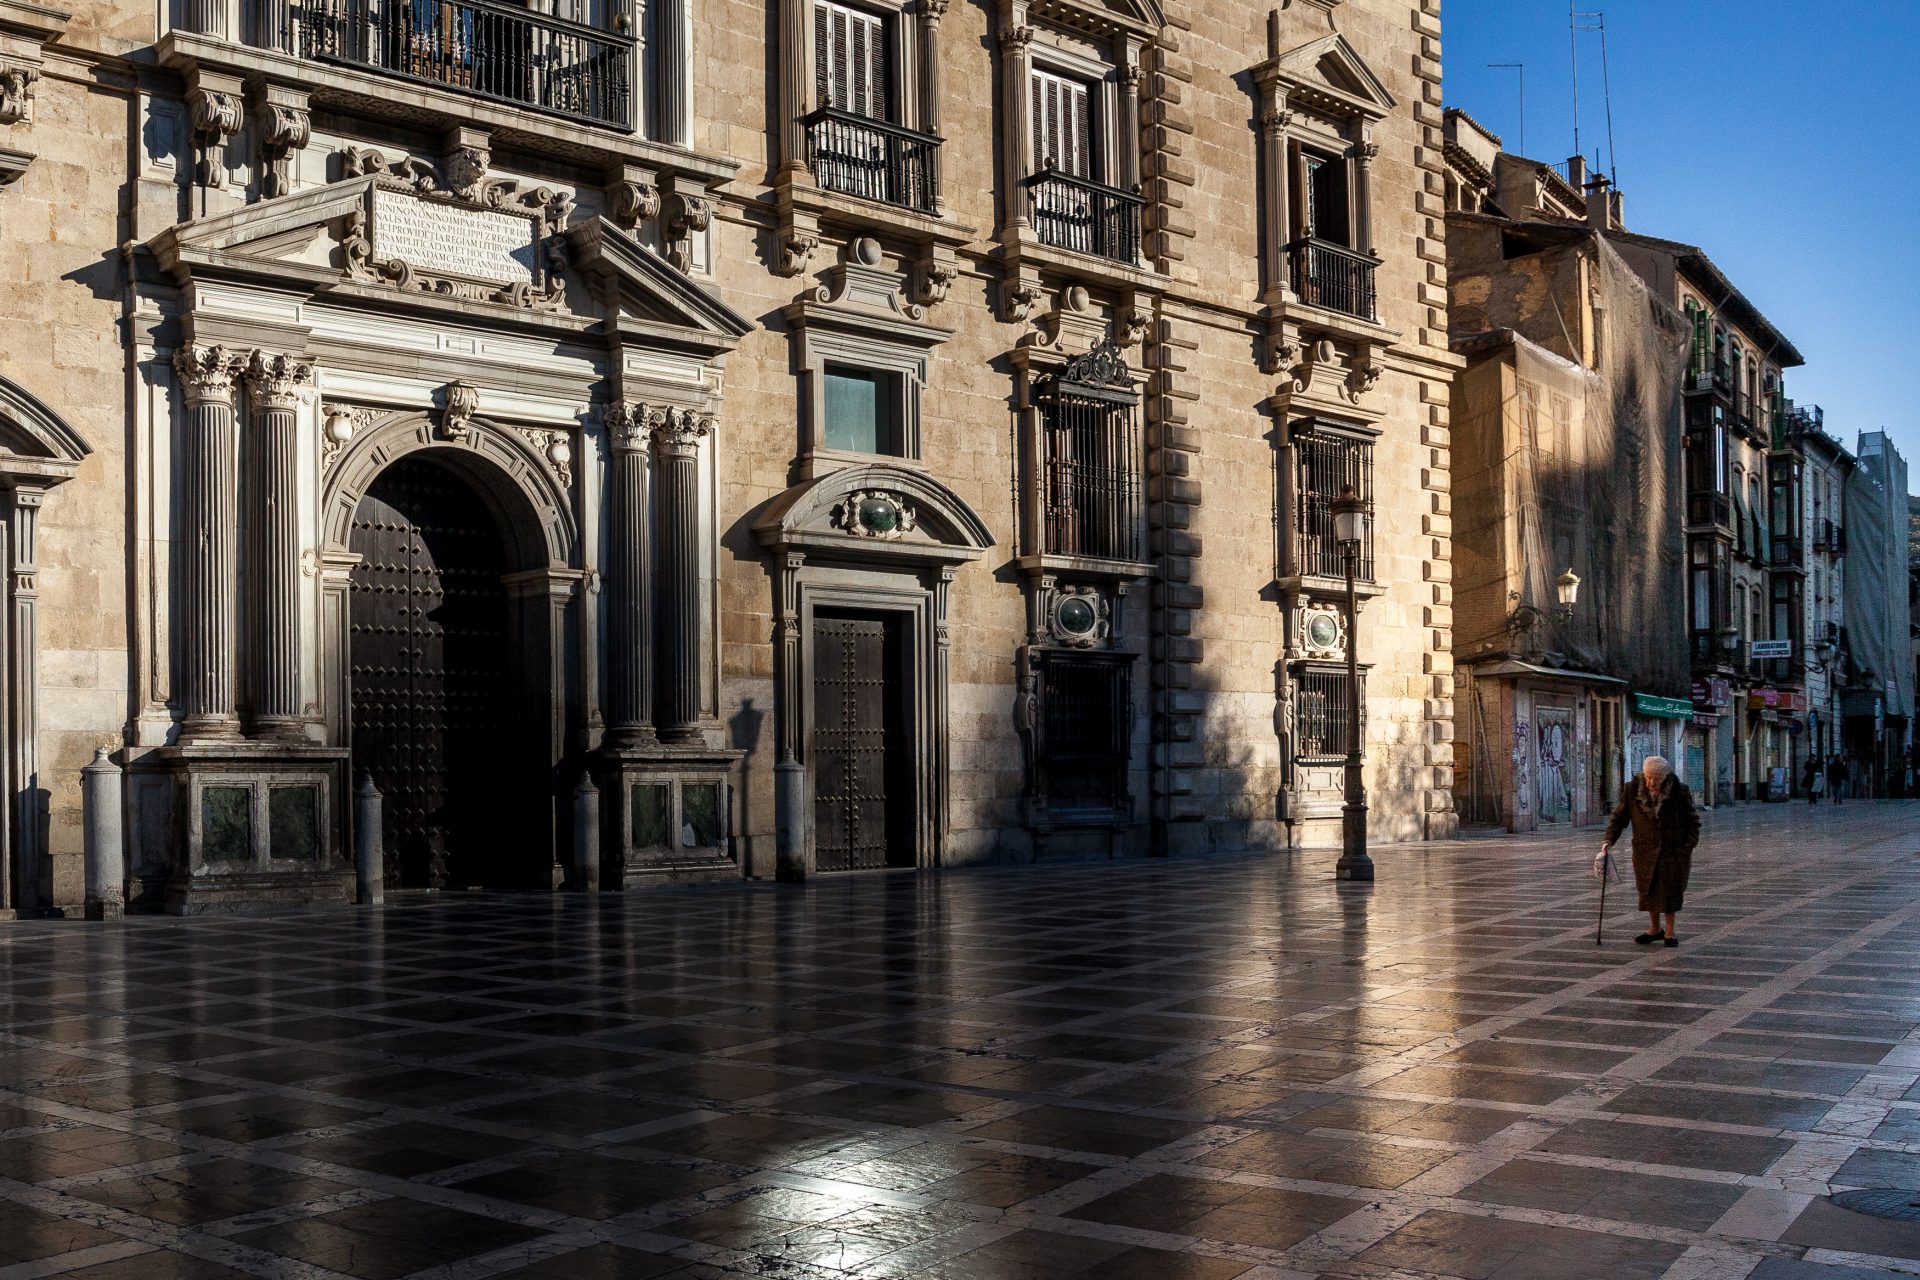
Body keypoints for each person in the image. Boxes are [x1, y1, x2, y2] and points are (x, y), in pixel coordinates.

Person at [1600, 755, 1701, 947]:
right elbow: (1619, 817)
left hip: (1672, 852)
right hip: (1644, 851)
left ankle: (1670, 933)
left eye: (1656, 778)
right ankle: (1654, 929)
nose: (1652, 782)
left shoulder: (1679, 792)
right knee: (1648, 890)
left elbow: (1693, 822)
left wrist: (1687, 847)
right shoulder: (1631, 790)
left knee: (1670, 892)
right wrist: (1609, 840)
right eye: (1648, 777)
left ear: (1665, 776)